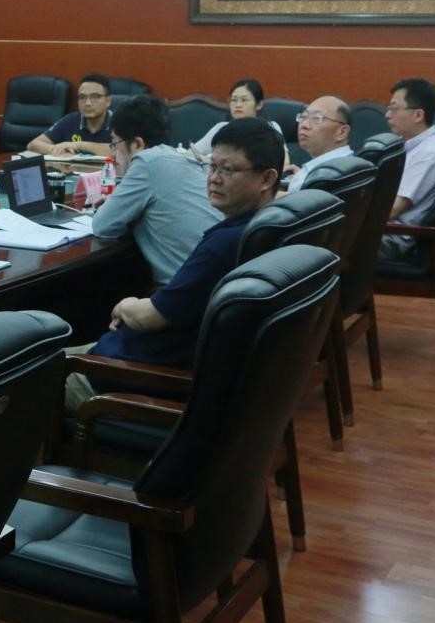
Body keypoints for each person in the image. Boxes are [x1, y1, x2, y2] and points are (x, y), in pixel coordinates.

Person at [65, 117, 284, 411]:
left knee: (21, 375)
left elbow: (150, 317)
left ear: (267, 179)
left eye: (228, 170)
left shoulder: (224, 245)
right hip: (141, 356)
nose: (214, 178)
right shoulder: (267, 227)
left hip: (131, 376)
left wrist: (127, 305)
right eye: (212, 166)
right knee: (35, 356)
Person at [89, 95, 221, 287]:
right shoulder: (180, 157)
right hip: (216, 281)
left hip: (187, 292)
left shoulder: (147, 162)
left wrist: (113, 206)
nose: (113, 153)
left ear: (137, 144)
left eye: (115, 144)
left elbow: (103, 226)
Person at [379, 77, 435, 259]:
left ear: (418, 115)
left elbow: (393, 209)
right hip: (384, 231)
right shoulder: (408, 146)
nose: (387, 114)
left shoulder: (429, 154)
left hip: (392, 239)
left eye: (394, 108)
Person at [190, 78, 289, 168]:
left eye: (244, 100)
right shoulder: (221, 128)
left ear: (259, 104)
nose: (238, 105)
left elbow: (284, 163)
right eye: (234, 100)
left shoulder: (270, 127)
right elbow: (191, 153)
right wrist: (208, 161)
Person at [26, 73, 114, 157]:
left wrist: (78, 145)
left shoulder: (118, 122)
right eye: (82, 97)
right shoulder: (71, 120)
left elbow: (119, 150)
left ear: (108, 101)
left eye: (94, 97)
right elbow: (33, 145)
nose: (87, 103)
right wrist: (56, 149)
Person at [284, 95, 353, 191]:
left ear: (342, 132)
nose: (304, 125)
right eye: (303, 117)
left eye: (316, 118)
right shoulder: (348, 164)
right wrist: (302, 176)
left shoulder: (326, 177)